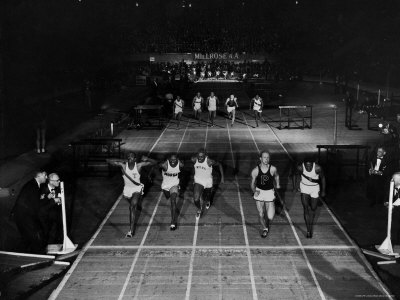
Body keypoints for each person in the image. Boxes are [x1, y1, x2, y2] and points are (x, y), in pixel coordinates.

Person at [107, 152, 157, 238]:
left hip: (136, 188)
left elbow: (155, 163)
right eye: (128, 156)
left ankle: (131, 230)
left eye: (132, 156)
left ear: (135, 159)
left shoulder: (138, 166)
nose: (130, 157)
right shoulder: (123, 165)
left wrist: (147, 159)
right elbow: (108, 160)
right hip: (127, 189)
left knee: (131, 207)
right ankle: (136, 205)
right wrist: (122, 160)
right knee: (133, 205)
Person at [11, 171, 48, 253]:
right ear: (39, 175)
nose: (46, 177)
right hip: (24, 215)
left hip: (23, 215)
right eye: (45, 175)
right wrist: (47, 199)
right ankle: (38, 256)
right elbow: (36, 204)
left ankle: (19, 254)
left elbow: (32, 200)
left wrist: (41, 198)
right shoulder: (33, 185)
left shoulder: (33, 184)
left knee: (27, 238)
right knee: (34, 237)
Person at [250, 151, 280, 238]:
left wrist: (277, 184)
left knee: (270, 216)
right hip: (259, 192)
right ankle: (264, 229)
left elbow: (277, 176)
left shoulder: (273, 168)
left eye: (267, 157)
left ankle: (274, 207)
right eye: (264, 157)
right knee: (261, 213)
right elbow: (252, 183)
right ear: (260, 158)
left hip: (269, 192)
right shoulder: (255, 170)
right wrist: (254, 191)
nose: (266, 159)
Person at [297, 157, 326, 238]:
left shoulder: (318, 168)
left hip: (314, 188)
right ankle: (309, 230)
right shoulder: (300, 167)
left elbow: (323, 178)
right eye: (307, 166)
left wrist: (323, 191)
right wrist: (296, 186)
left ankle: (311, 217)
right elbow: (297, 175)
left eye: (310, 166)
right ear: (304, 164)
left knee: (313, 208)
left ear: (313, 164)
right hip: (304, 187)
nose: (308, 168)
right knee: (305, 208)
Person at [191, 149, 224, 219]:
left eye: (202, 156)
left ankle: (208, 200)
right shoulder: (194, 159)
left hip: (208, 181)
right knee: (196, 199)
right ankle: (199, 209)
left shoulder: (210, 161)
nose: (200, 158)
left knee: (207, 196)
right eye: (198, 156)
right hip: (198, 181)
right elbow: (195, 167)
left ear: (205, 156)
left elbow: (220, 164)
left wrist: (222, 177)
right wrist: (195, 176)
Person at [159, 154, 184, 230]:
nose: (173, 161)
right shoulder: (165, 165)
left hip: (174, 185)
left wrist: (179, 161)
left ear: (177, 159)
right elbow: (157, 164)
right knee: (168, 197)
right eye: (171, 160)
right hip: (165, 186)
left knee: (173, 201)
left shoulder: (179, 164)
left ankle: (173, 222)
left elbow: (182, 165)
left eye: (175, 159)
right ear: (168, 160)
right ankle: (174, 208)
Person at [38, 173, 62, 245]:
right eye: (57, 180)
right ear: (51, 181)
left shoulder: (59, 188)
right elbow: (41, 206)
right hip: (44, 217)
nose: (59, 182)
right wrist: (54, 201)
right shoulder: (42, 190)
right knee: (45, 235)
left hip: (55, 216)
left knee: (57, 232)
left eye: (59, 180)